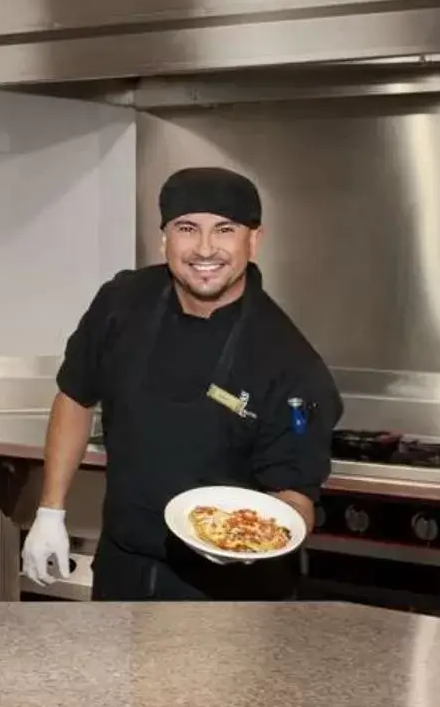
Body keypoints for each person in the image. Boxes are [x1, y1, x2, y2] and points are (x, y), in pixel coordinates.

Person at [20, 166, 341, 602]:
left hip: (229, 597)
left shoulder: (291, 364)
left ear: (254, 240)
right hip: (121, 569)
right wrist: (50, 509)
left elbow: (295, 497)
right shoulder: (121, 302)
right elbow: (75, 395)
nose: (205, 248)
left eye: (225, 230)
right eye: (187, 228)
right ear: (164, 239)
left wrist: (248, 544)